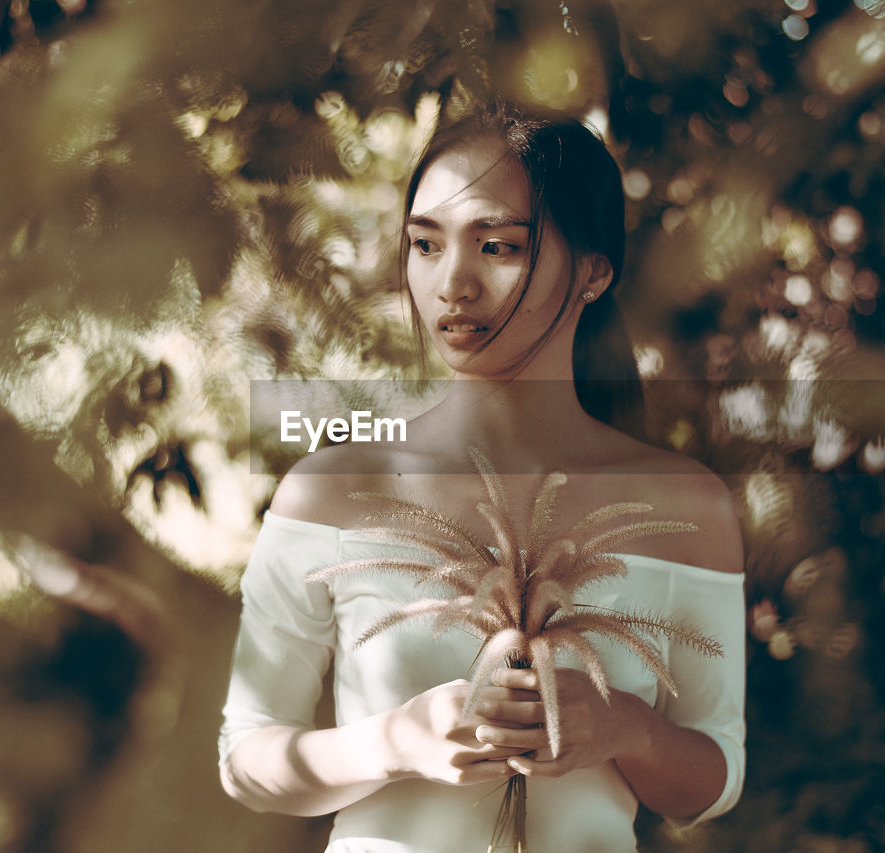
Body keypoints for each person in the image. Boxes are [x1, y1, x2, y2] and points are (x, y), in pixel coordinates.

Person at [219, 101, 746, 852]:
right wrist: (395, 741)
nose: (452, 282)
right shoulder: (331, 487)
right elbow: (247, 753)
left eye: (496, 246)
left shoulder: (684, 504)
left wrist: (622, 726)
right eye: (425, 245)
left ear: (593, 271)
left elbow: (714, 776)